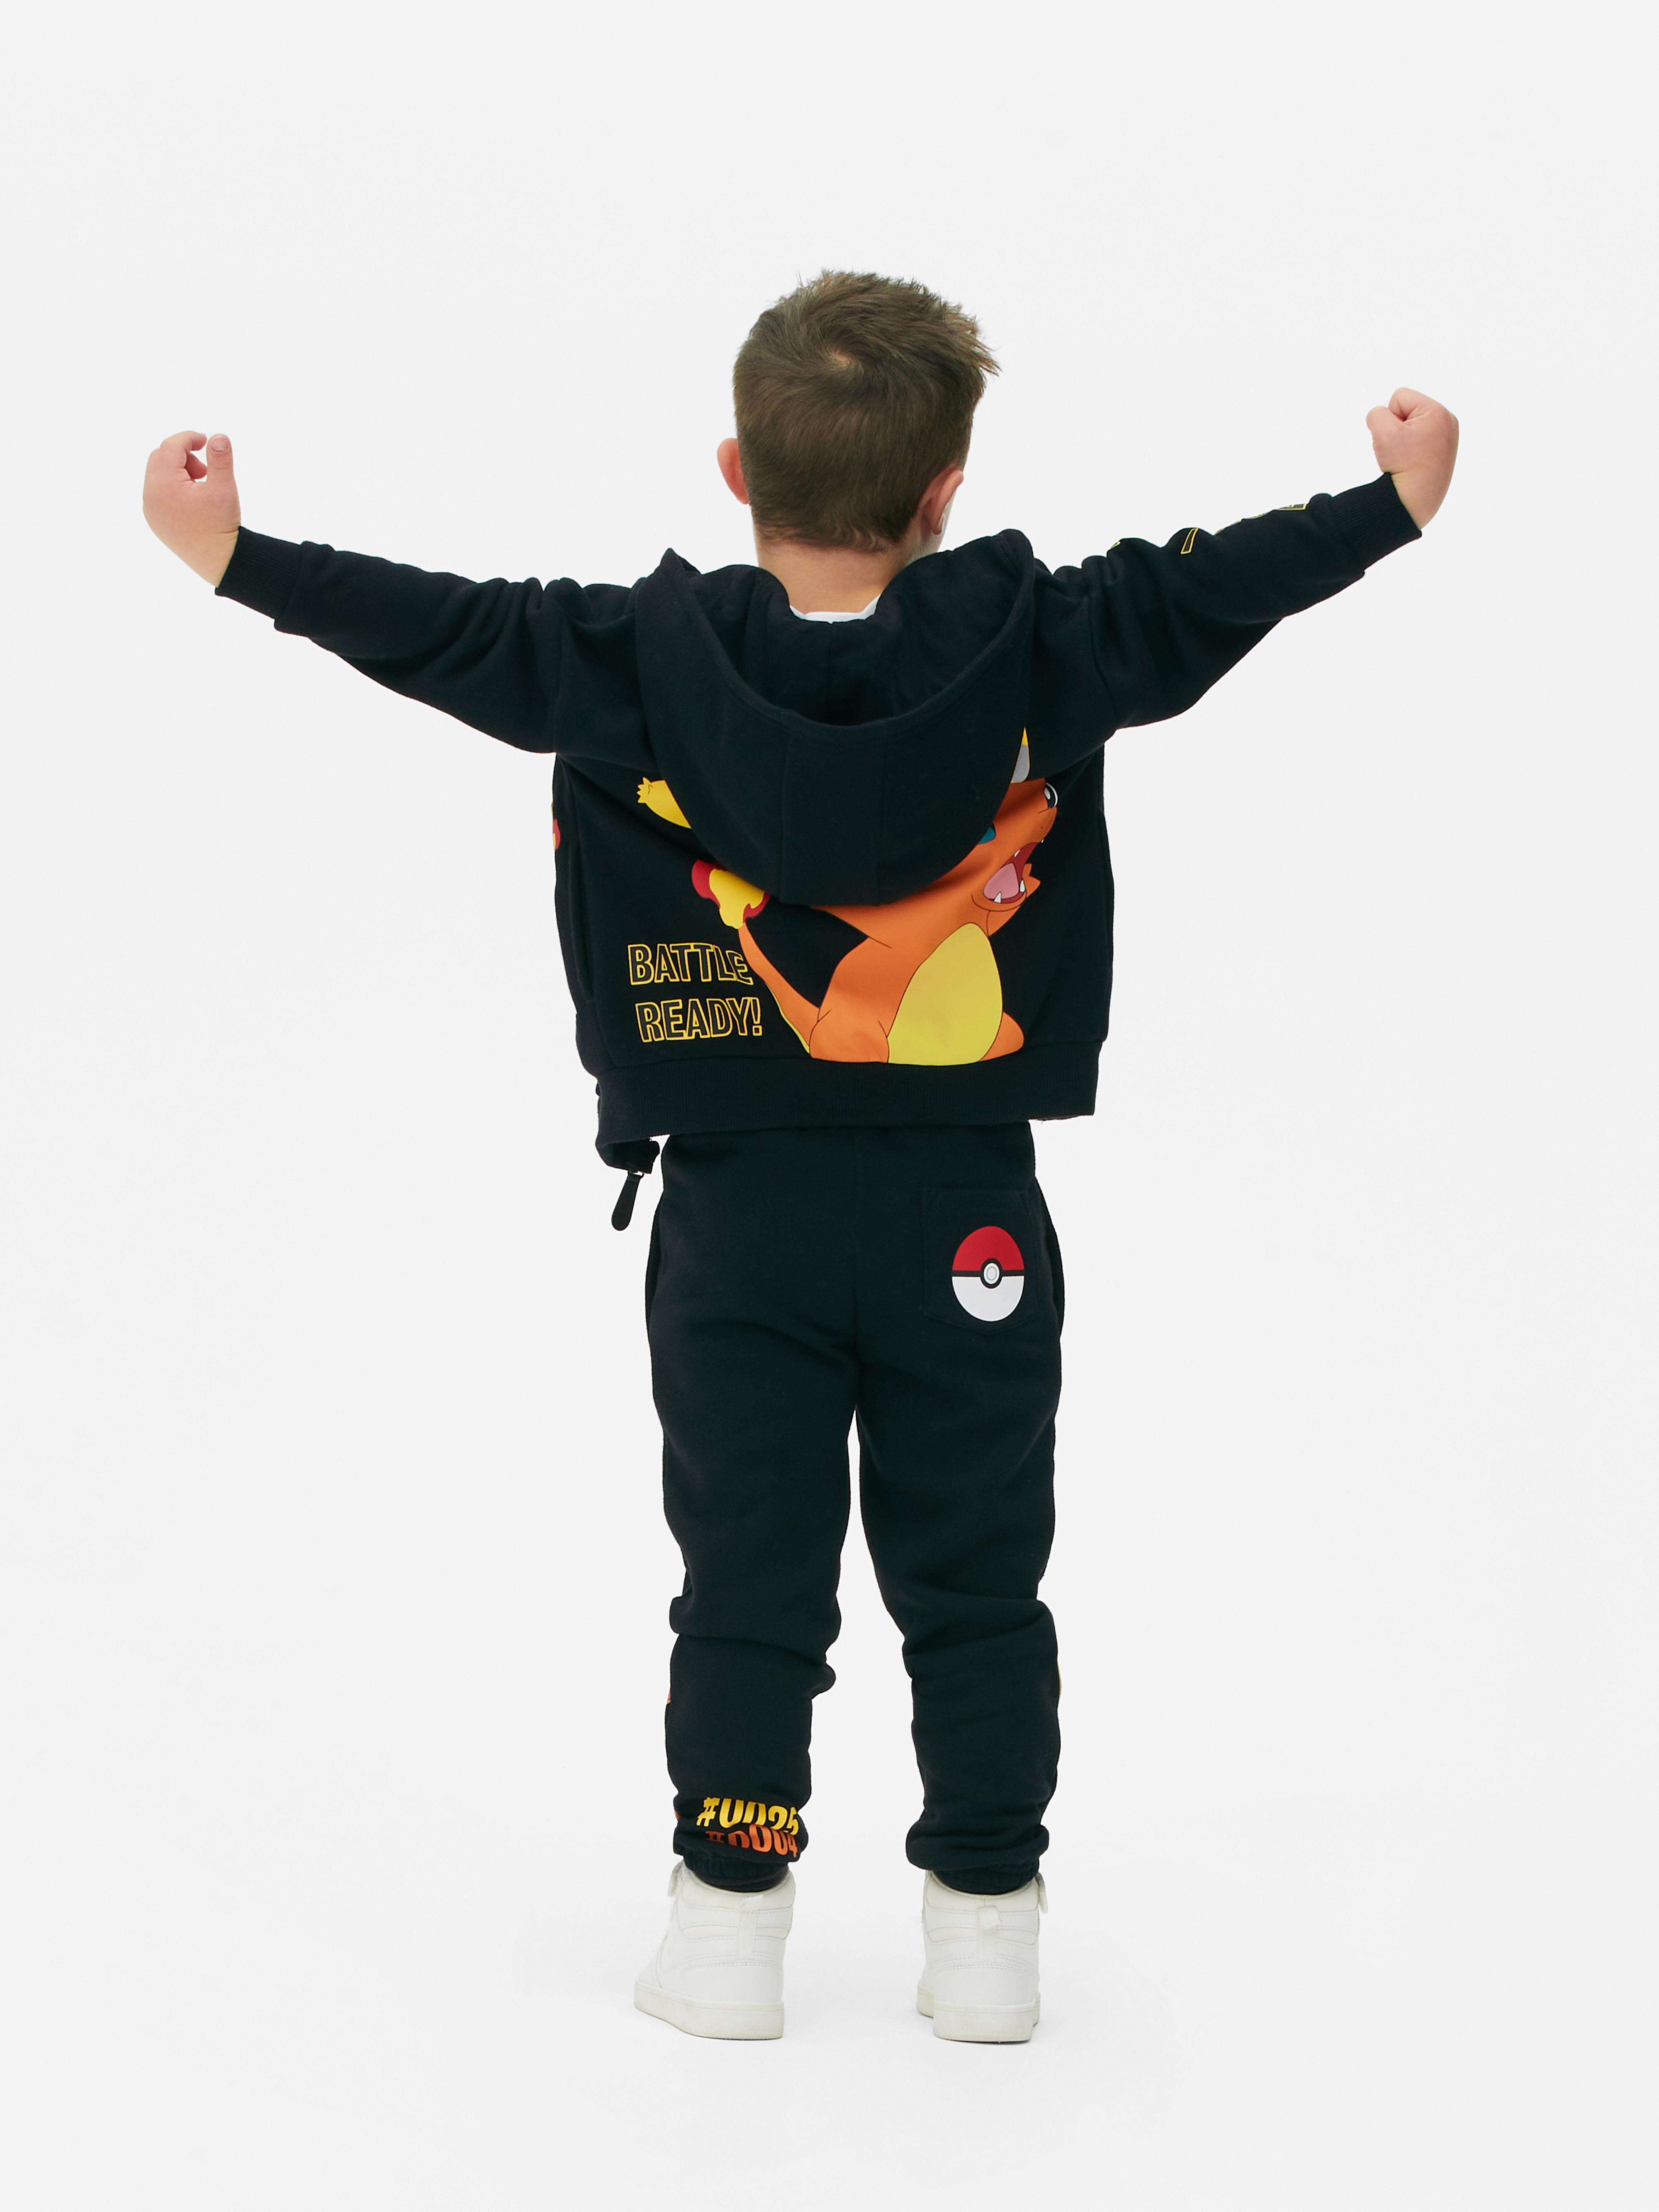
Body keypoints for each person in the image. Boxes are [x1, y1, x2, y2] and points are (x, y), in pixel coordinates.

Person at [142, 270, 1457, 2044]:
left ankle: (728, 1922)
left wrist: (236, 555)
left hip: (738, 1211)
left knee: (751, 1582)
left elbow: (438, 630)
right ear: (946, 492)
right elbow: (1216, 588)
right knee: (975, 1580)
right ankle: (984, 1930)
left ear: (734, 468)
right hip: (966, 1207)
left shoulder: (629, 661)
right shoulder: (1049, 645)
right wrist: (1386, 505)